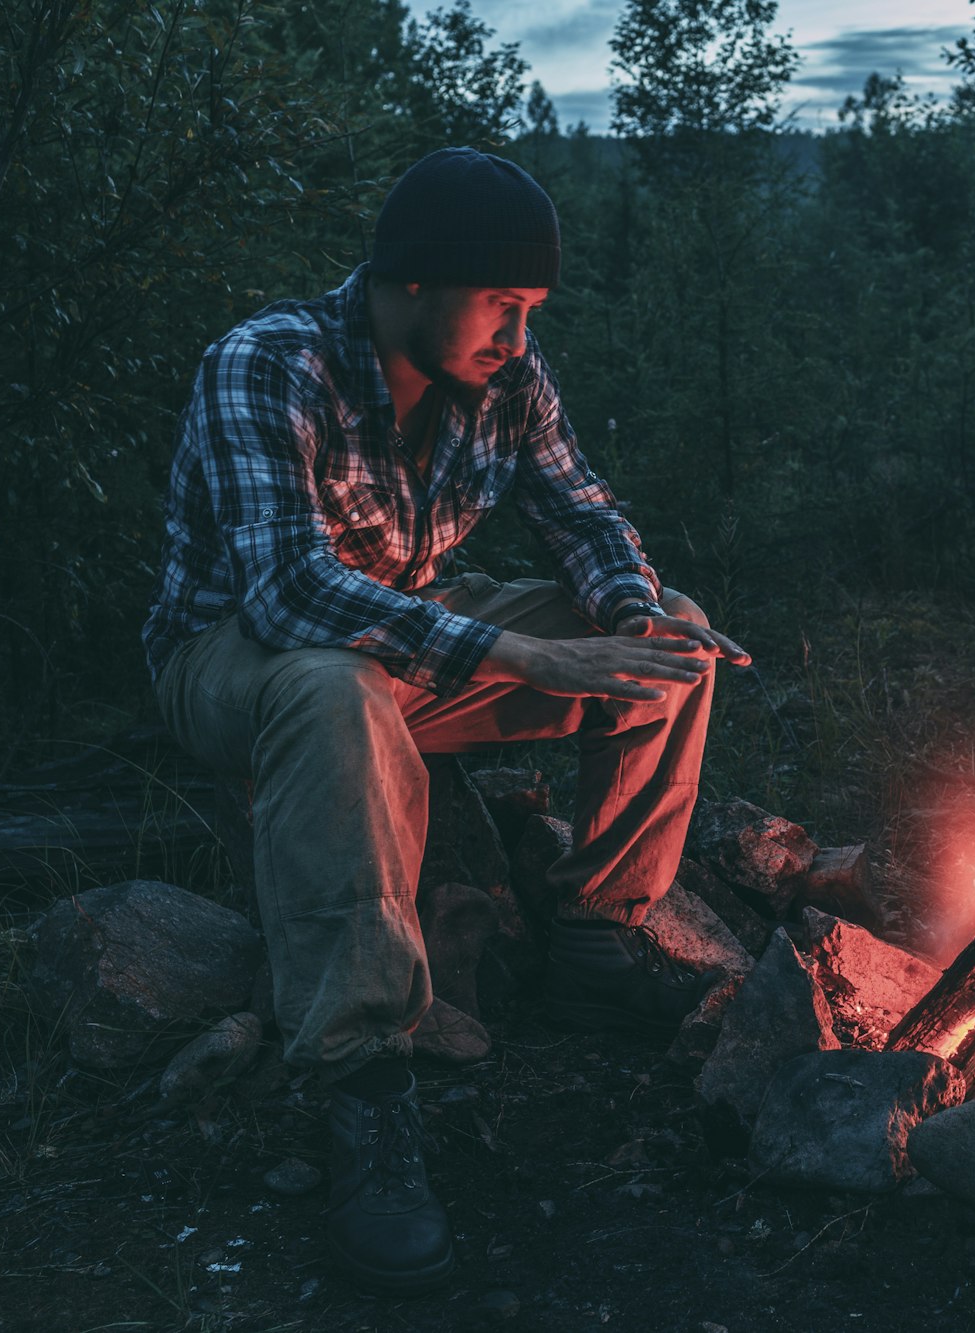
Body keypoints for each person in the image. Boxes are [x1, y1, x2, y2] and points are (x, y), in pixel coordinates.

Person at [141, 146, 749, 1294]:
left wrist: (626, 608)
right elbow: (286, 597)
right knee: (334, 684)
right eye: (503, 306)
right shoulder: (267, 366)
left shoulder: (505, 377)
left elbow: (582, 515)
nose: (517, 339)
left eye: (531, 313)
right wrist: (521, 648)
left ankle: (589, 939)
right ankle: (363, 1079)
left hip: (414, 639)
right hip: (236, 656)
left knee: (672, 627)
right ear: (411, 281)